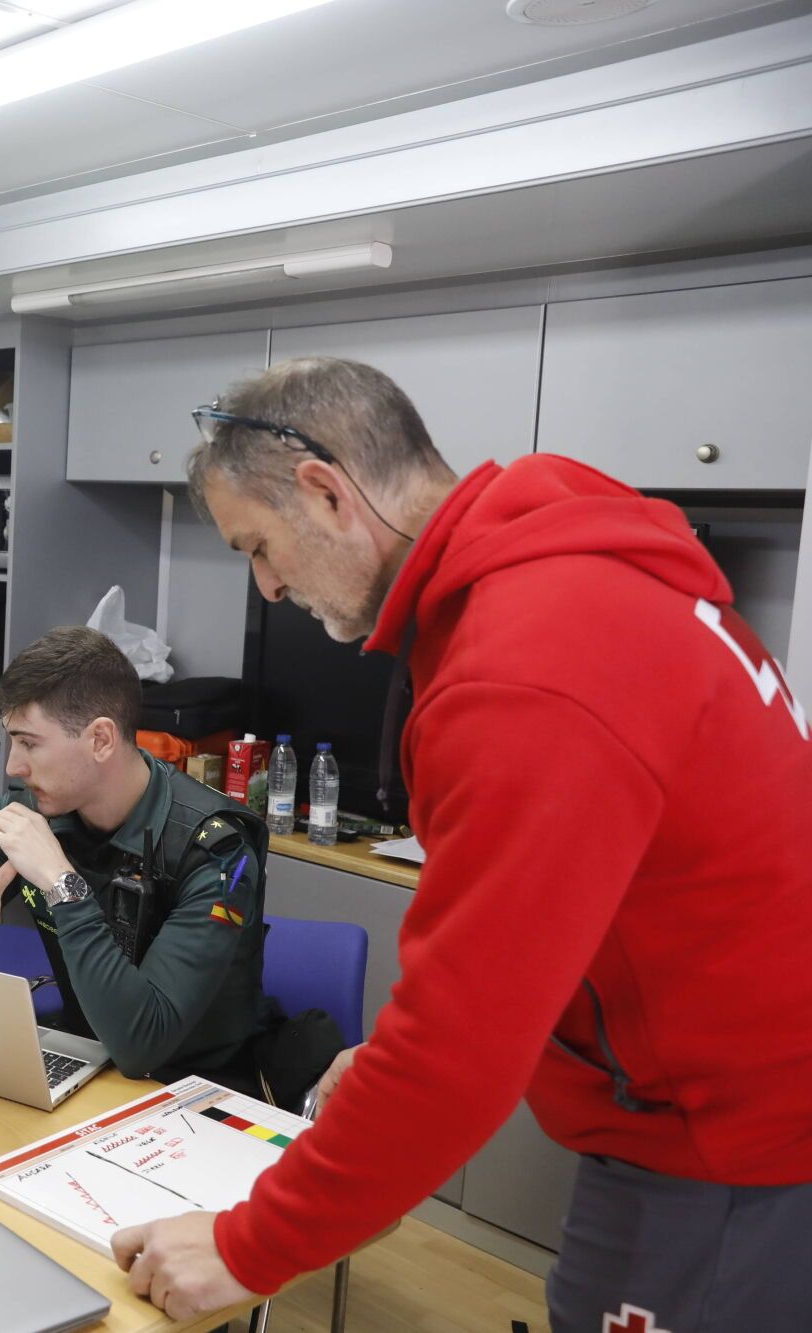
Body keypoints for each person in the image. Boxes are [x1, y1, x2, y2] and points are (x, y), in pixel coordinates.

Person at [114, 356, 812, 1331]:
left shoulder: (520, 666)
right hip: (711, 1119)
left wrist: (247, 1246)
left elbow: (458, 1044)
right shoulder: (570, 580)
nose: (265, 586)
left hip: (725, 1151)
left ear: (324, 492)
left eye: (256, 547)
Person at [0, 626, 272, 1084]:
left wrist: (62, 885)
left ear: (100, 740)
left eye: (30, 743)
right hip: (85, 1065)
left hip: (197, 1093)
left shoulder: (218, 852)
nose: (14, 765)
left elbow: (141, 1045)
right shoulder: (34, 805)